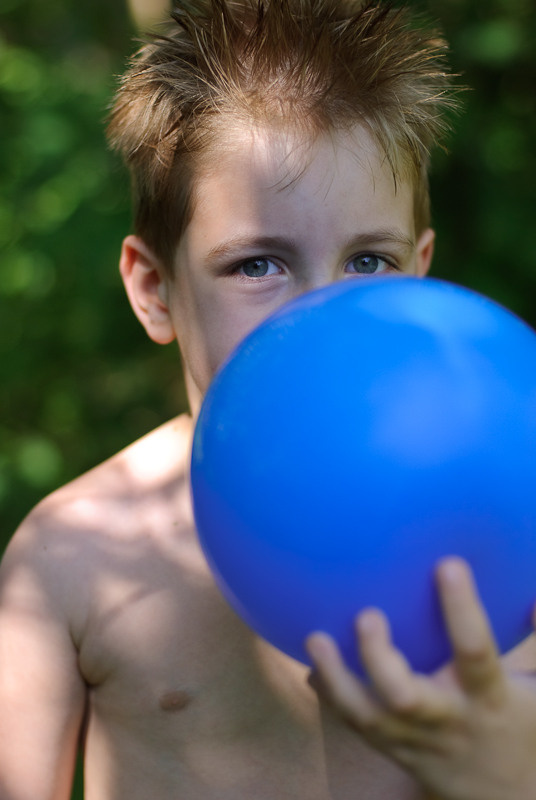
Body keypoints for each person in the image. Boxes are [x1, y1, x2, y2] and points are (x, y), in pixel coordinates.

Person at [1, 1, 536, 798]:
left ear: (421, 272)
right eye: (258, 265)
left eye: (368, 262)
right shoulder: (71, 560)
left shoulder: (509, 524)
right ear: (155, 289)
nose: (323, 316)